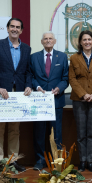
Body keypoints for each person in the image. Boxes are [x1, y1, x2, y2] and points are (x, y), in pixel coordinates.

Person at [0, 18, 32, 172]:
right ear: (7, 28)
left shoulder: (26, 48)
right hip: (0, 94)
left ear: (21, 30)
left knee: (15, 129)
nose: (14, 29)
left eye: (18, 27)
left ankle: (12, 161)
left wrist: (28, 85)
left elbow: (27, 72)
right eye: (12, 26)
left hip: (17, 94)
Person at [69, 30, 92, 172]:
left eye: (89, 39)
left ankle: (90, 161)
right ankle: (82, 161)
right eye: (84, 40)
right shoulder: (74, 58)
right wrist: (83, 94)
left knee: (91, 133)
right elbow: (72, 79)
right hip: (79, 100)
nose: (87, 42)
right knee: (81, 133)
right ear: (80, 42)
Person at [30, 31, 69, 170]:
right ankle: (40, 160)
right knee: (39, 132)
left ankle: (56, 161)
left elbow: (65, 78)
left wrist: (59, 88)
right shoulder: (33, 57)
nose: (48, 41)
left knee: (56, 132)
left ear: (55, 41)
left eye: (50, 38)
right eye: (45, 39)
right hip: (39, 101)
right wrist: (37, 86)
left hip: (56, 100)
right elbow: (31, 76)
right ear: (41, 42)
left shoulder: (63, 57)